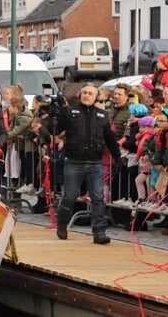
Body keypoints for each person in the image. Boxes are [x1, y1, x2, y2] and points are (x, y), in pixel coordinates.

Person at [56, 85, 121, 244]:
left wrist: (118, 157)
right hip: (74, 162)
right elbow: (57, 129)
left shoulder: (102, 115)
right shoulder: (70, 111)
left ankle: (99, 231)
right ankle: (62, 223)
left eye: (90, 93)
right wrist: (59, 114)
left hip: (95, 163)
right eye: (84, 92)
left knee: (98, 197)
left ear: (96, 97)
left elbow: (110, 139)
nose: (86, 95)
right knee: (69, 196)